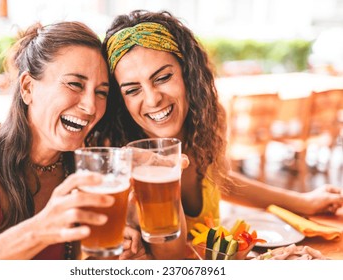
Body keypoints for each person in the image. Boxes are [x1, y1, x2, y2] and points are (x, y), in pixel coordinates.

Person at [89, 10, 343, 233]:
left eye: (163, 77)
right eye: (132, 90)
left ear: (187, 73)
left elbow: (221, 180)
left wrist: (303, 202)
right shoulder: (115, 155)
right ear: (120, 100)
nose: (153, 99)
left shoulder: (210, 120)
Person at [0, 21, 153, 260]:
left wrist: (114, 258)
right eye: (75, 84)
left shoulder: (84, 176)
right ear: (27, 88)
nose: (90, 106)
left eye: (101, 92)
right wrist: (39, 231)